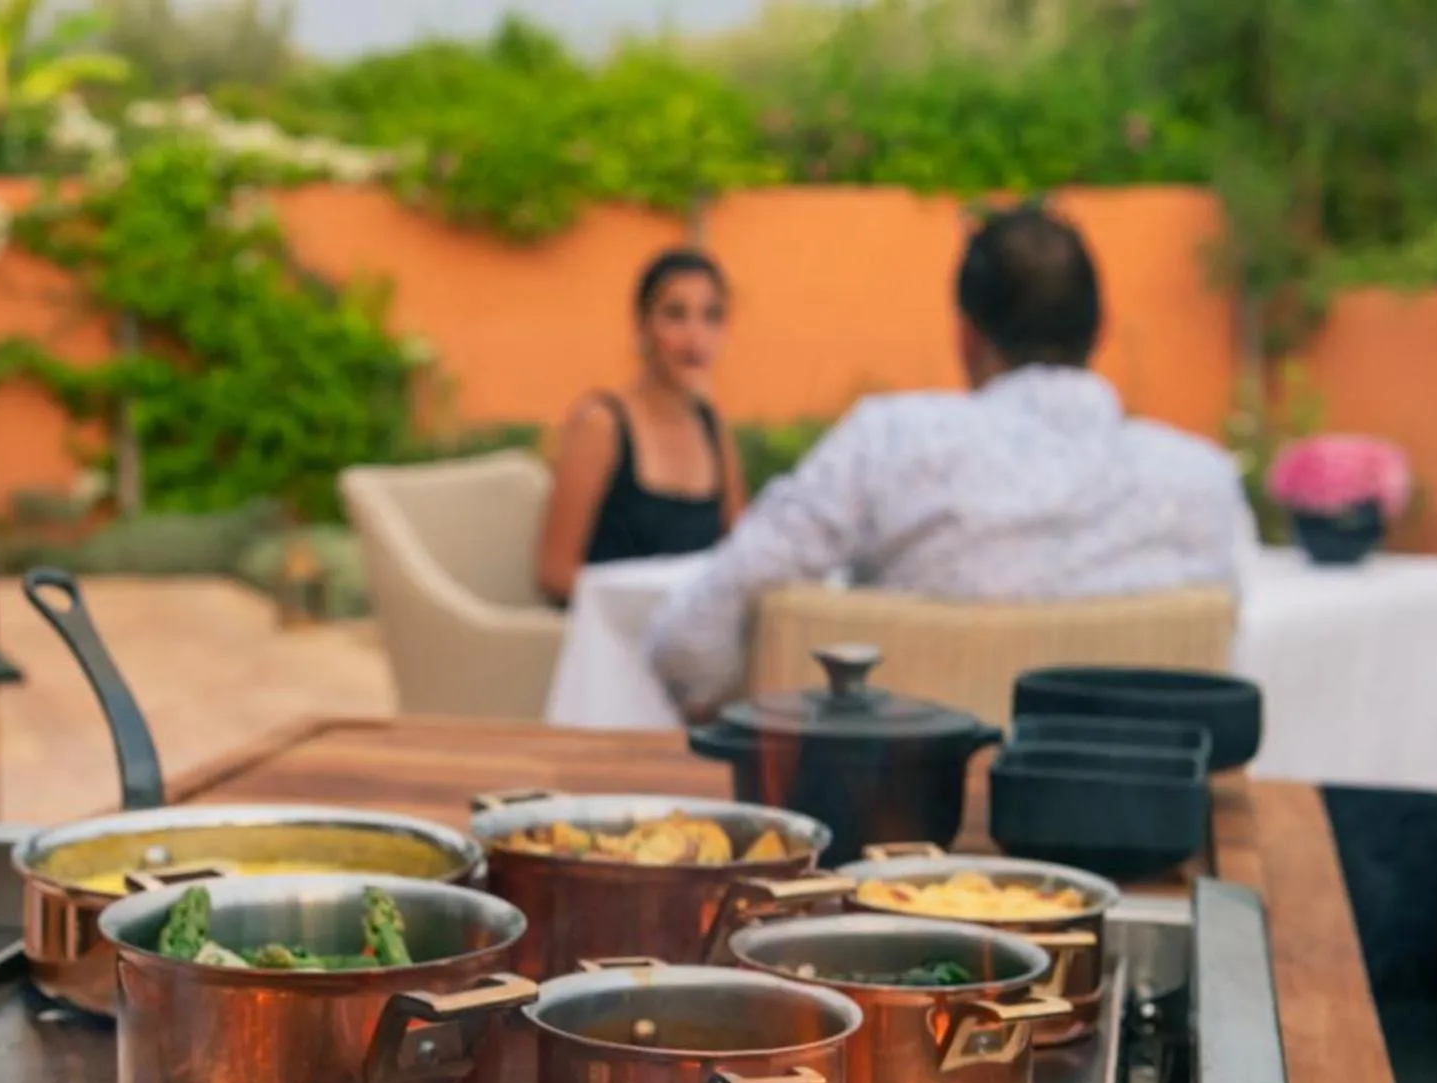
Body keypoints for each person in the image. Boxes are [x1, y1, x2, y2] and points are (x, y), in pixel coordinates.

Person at [647, 205, 1250, 717]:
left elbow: (687, 644)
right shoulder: (1204, 484)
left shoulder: (886, 445)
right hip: (1134, 815)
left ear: (966, 335)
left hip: (894, 812)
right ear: (1101, 331)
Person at [535, 248, 746, 603]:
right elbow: (554, 574)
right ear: (643, 326)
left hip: (693, 631)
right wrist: (649, 603)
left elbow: (741, 551)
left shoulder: (712, 427)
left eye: (711, 316)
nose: (695, 338)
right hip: (612, 630)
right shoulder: (601, 425)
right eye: (675, 315)